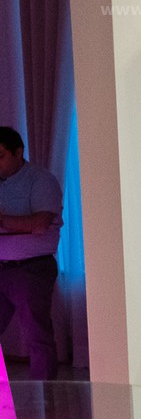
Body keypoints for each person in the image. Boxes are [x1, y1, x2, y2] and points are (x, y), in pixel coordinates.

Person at [0, 126, 63, 379]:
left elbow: (40, 223)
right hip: (2, 267)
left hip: (31, 269)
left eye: (0, 156)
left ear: (18, 152)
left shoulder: (41, 180)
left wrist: (3, 221)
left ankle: (43, 396)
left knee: (37, 336)